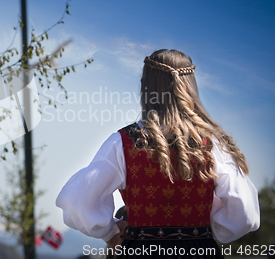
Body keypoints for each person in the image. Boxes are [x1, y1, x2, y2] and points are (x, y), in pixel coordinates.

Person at [56, 49, 260, 258]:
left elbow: (78, 202)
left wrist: (111, 232)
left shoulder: (124, 142)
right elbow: (244, 215)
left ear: (145, 85)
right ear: (191, 87)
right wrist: (205, 227)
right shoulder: (212, 144)